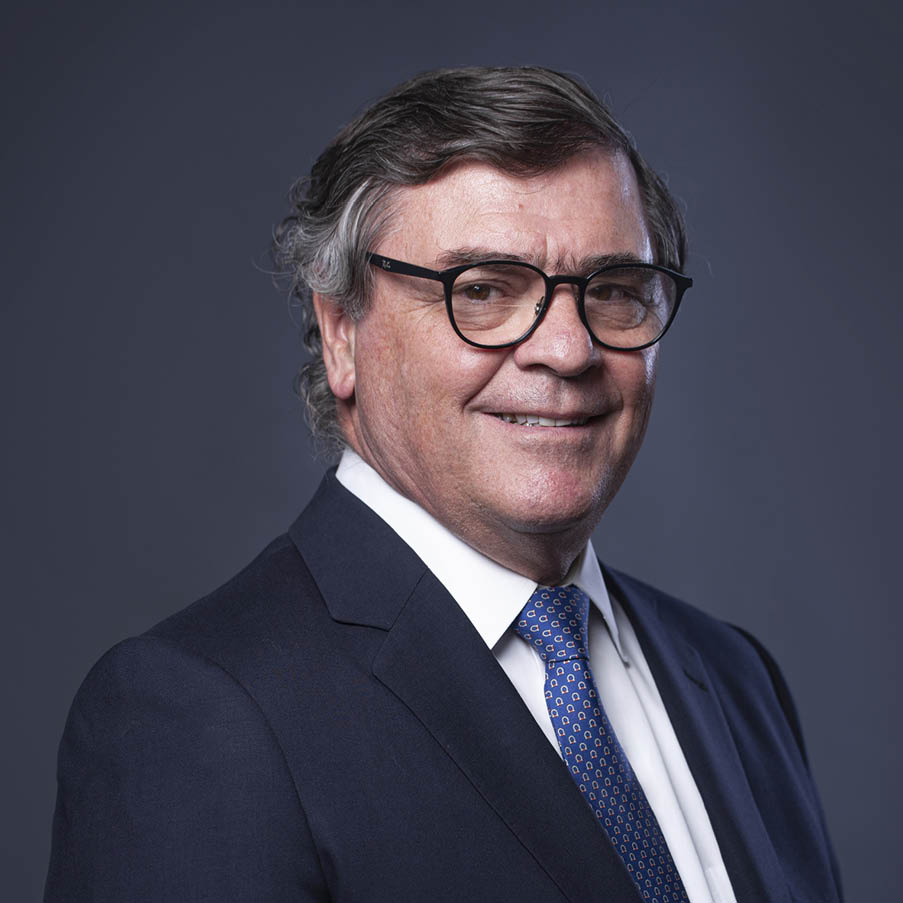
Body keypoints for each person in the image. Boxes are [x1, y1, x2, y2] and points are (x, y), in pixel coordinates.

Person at [45, 67, 842, 903]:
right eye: (485, 290)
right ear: (341, 331)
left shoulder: (734, 678)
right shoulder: (199, 715)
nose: (566, 350)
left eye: (611, 291)